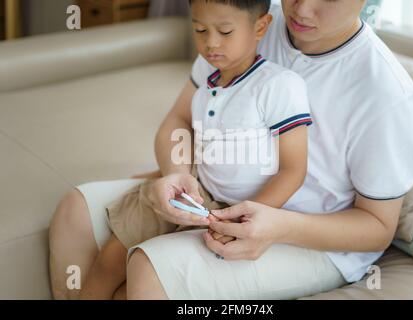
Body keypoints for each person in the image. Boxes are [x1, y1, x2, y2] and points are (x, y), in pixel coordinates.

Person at [49, 0, 413, 300]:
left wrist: (277, 226)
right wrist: (175, 172)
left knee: (147, 273)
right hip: (216, 194)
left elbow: (377, 228)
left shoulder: (386, 92)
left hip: (313, 237)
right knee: (74, 213)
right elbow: (179, 120)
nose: (303, 10)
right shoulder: (252, 20)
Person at [77, 0, 313, 300]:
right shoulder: (207, 78)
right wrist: (173, 174)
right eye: (200, 29)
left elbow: (293, 170)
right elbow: (178, 129)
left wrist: (242, 220)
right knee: (107, 262)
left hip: (236, 211)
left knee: (139, 281)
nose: (211, 42)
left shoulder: (279, 85)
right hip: (192, 194)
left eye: (225, 31)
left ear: (261, 27)